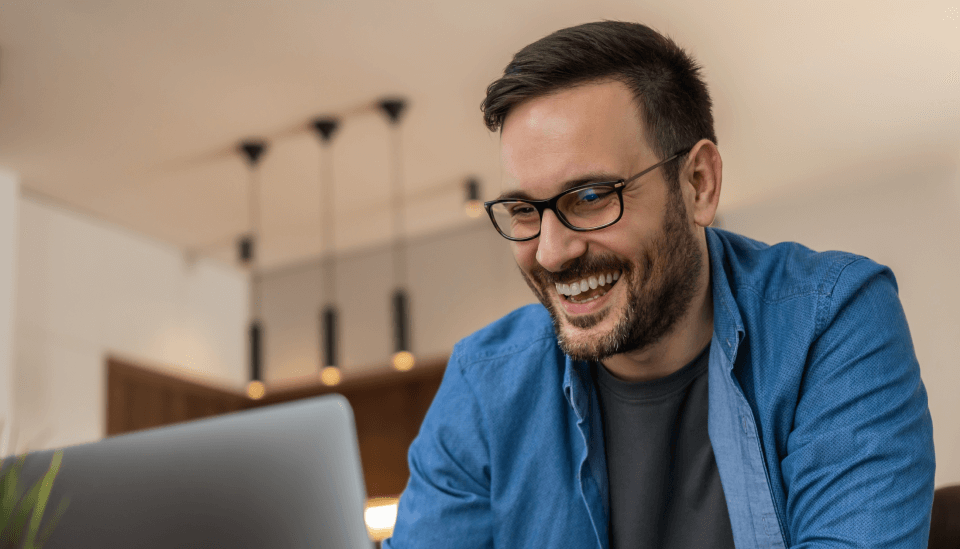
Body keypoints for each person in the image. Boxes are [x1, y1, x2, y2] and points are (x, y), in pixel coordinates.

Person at [384, 21, 934, 548]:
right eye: (526, 209)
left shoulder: (831, 321)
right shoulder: (484, 383)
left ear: (699, 183)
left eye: (593, 197)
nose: (551, 252)